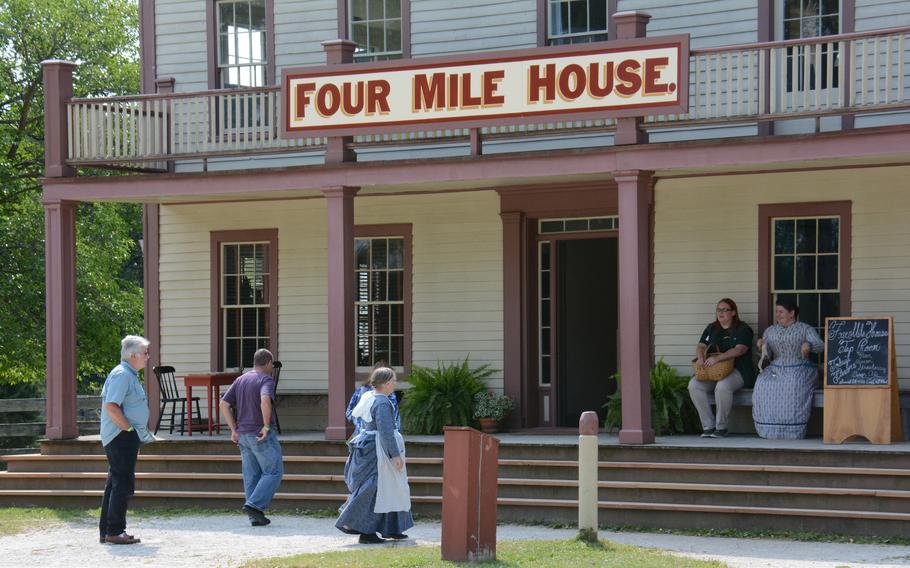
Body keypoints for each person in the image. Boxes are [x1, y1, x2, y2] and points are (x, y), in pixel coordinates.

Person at [336, 367, 413, 544]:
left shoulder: (368, 396)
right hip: (376, 452)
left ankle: (391, 527)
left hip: (367, 446)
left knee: (390, 487)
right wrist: (395, 455)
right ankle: (363, 529)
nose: (395, 384)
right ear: (386, 383)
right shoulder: (382, 403)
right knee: (375, 488)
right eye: (393, 381)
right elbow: (385, 432)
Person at [99, 335, 156, 545]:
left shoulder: (128, 374)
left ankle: (107, 530)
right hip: (120, 436)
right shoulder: (122, 375)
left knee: (115, 482)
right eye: (145, 353)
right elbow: (111, 406)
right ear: (133, 355)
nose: (148, 357)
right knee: (123, 482)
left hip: (123, 436)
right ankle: (115, 531)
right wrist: (129, 430)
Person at [220, 348, 283, 526]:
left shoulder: (240, 379)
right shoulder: (266, 379)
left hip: (243, 435)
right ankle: (254, 506)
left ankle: (254, 515)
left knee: (251, 474)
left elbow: (224, 404)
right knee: (274, 471)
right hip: (259, 434)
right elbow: (264, 400)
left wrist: (234, 429)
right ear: (269, 363)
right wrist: (266, 425)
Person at [752, 300, 825, 439]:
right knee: (762, 383)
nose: (777, 315)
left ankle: (792, 430)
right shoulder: (770, 330)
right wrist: (761, 346)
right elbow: (767, 356)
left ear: (792, 313)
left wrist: (808, 345)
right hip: (775, 368)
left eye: (781, 311)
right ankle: (769, 428)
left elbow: (820, 345)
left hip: (800, 366)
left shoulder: (805, 329)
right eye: (776, 311)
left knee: (792, 384)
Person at [688, 298, 755, 438]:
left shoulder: (743, 329)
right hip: (713, 371)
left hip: (739, 371)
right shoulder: (711, 328)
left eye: (725, 310)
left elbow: (740, 350)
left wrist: (717, 358)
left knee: (722, 386)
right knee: (694, 385)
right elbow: (701, 346)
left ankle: (721, 427)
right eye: (719, 310)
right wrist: (701, 357)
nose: (721, 313)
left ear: (733, 312)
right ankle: (708, 426)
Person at [345, 364, 401, 436]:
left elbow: (396, 416)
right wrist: (361, 422)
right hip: (364, 436)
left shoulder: (391, 394)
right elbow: (349, 412)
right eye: (392, 379)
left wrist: (396, 433)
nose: (394, 383)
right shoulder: (361, 392)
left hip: (385, 435)